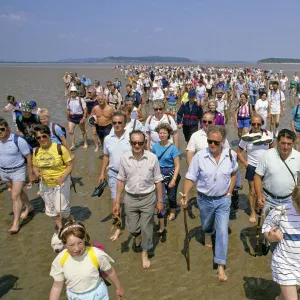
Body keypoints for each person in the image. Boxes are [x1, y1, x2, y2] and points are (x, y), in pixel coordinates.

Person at [181, 126, 238, 281]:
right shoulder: (199, 156)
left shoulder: (231, 155)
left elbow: (234, 174)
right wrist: (185, 194)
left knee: (222, 231)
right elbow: (190, 177)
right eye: (209, 141)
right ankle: (207, 232)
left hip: (223, 200)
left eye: (216, 142)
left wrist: (229, 192)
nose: (212, 144)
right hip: (204, 199)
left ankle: (220, 266)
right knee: (207, 225)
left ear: (223, 141)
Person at [114, 130, 163, 269]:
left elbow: (158, 181)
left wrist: (160, 201)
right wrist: (117, 202)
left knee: (147, 226)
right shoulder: (124, 158)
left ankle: (145, 252)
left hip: (148, 197)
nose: (137, 145)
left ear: (144, 143)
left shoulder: (152, 158)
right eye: (134, 143)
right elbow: (120, 180)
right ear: (130, 143)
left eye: (140, 143)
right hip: (130, 198)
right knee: (133, 228)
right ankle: (138, 235)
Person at [49, 221, 124, 300]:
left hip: (97, 294)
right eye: (71, 245)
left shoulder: (96, 254)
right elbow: (57, 286)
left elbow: (110, 271)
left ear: (84, 239)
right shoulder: (61, 259)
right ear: (65, 244)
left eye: (80, 243)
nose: (77, 248)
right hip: (74, 296)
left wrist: (118, 288)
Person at [262, 185, 300, 300]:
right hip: (285, 264)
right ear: (292, 198)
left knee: (288, 294)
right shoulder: (280, 211)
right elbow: (266, 229)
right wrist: (271, 237)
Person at [32, 124, 73, 231]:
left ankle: (70, 220)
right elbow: (35, 166)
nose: (42, 139)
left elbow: (70, 165)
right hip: (45, 184)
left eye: (44, 136)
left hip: (61, 182)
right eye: (38, 137)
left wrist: (63, 177)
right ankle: (60, 228)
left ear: (49, 135)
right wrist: (36, 173)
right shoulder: (36, 151)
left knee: (62, 209)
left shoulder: (60, 148)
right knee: (51, 209)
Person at [98, 112, 131, 241]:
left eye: (119, 122)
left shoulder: (130, 137)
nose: (117, 125)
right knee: (115, 203)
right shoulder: (108, 138)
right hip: (113, 173)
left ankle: (134, 226)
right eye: (114, 123)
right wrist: (101, 173)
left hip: (129, 174)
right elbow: (106, 156)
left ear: (124, 123)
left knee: (129, 202)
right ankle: (118, 228)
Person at [237, 114, 274, 223]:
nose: (256, 126)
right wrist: (246, 164)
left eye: (258, 124)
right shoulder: (246, 136)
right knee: (252, 191)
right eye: (253, 124)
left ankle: (262, 209)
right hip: (252, 167)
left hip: (266, 167)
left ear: (262, 124)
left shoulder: (268, 134)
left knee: (265, 191)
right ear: (250, 124)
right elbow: (238, 152)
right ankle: (253, 211)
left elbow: (272, 148)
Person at [254, 129, 300, 217]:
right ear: (277, 142)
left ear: (293, 143)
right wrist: (259, 197)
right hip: (268, 200)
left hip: (290, 200)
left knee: (287, 229)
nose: (286, 147)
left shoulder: (298, 157)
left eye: (289, 144)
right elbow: (257, 177)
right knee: (269, 229)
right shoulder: (266, 155)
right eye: (283, 143)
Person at [0, 117, 34, 233]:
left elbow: (28, 156)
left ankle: (16, 223)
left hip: (18, 171)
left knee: (15, 196)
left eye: (2, 129)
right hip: (4, 172)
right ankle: (29, 206)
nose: (0, 132)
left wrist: (30, 173)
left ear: (7, 128)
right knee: (19, 193)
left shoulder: (18, 140)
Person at [151, 123, 180, 227]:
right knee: (160, 197)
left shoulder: (173, 148)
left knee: (171, 196)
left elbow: (177, 165)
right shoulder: (155, 146)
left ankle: (172, 209)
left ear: (169, 134)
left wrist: (174, 179)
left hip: (172, 172)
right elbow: (152, 161)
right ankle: (161, 221)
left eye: (164, 133)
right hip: (159, 173)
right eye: (160, 133)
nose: (162, 135)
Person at [67, 86, 88, 150]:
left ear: (76, 92)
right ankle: (73, 145)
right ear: (70, 93)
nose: (73, 93)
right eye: (71, 91)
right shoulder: (68, 100)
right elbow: (68, 110)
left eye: (74, 91)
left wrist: (84, 118)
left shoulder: (80, 99)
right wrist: (67, 119)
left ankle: (85, 143)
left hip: (80, 117)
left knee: (83, 131)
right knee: (70, 131)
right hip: (72, 117)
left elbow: (85, 109)